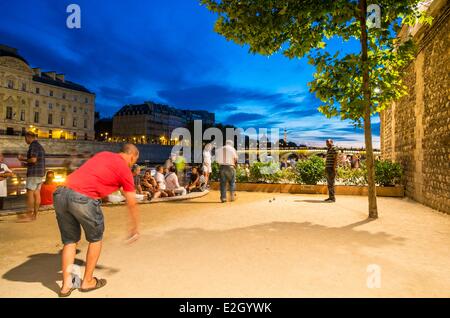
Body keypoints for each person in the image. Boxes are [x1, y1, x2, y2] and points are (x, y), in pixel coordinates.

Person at [53, 144, 140, 297]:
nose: (133, 164)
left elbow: (94, 175)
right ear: (132, 156)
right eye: (134, 161)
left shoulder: (104, 154)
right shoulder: (125, 169)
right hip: (83, 197)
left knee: (69, 241)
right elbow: (131, 201)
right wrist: (134, 227)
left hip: (61, 192)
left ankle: (66, 286)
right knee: (95, 238)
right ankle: (87, 281)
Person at [18, 131, 46, 221]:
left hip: (33, 174)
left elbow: (33, 160)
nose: (25, 140)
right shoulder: (40, 147)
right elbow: (36, 161)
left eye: (26, 138)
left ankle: (28, 215)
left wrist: (23, 159)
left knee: (30, 194)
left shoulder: (33, 146)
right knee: (37, 194)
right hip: (40, 174)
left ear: (29, 137)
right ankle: (34, 216)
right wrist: (26, 164)